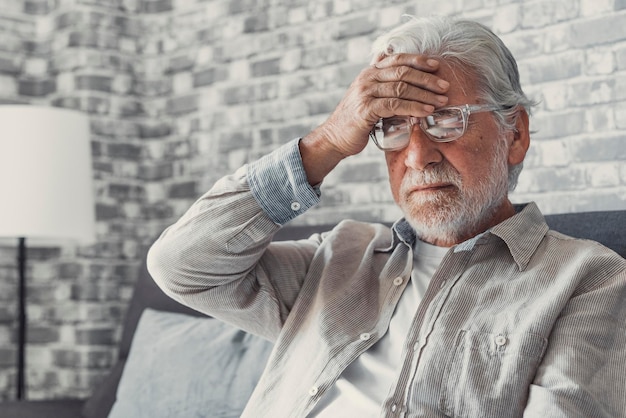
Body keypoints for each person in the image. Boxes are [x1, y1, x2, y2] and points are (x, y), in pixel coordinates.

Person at [147, 15, 626, 417]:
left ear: (515, 133)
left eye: (445, 118)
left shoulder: (590, 280)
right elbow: (180, 266)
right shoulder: (339, 257)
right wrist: (328, 142)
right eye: (393, 126)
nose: (417, 156)